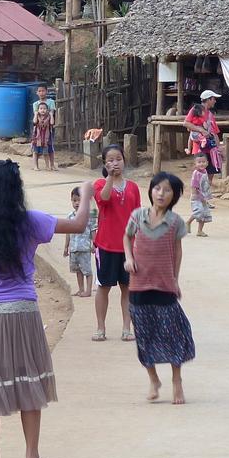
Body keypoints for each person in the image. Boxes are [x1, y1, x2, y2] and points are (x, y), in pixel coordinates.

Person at [0, 161, 95, 458]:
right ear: (16, 189)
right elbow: (77, 226)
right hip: (23, 308)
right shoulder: (30, 221)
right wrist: (86, 194)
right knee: (29, 381)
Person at [124, 172, 196, 404]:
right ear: (151, 191)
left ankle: (177, 380)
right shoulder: (137, 216)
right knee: (144, 336)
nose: (161, 193)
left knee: (172, 333)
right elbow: (127, 237)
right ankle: (153, 379)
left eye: (167, 190)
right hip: (138, 285)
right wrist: (128, 258)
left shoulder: (176, 222)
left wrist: (175, 280)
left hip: (164, 286)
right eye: (157, 189)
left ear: (174, 195)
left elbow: (178, 251)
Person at [93, 144, 141, 342]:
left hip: (128, 247)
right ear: (105, 163)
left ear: (124, 160)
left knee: (127, 288)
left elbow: (138, 215)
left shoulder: (133, 187)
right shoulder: (99, 184)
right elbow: (103, 199)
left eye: (118, 159)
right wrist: (109, 180)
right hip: (106, 245)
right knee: (103, 287)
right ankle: (100, 328)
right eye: (110, 160)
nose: (115, 163)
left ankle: (126, 328)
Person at [63, 186, 95, 298]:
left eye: (79, 200)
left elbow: (93, 230)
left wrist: (93, 244)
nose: (76, 203)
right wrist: (66, 247)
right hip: (74, 248)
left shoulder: (89, 216)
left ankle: (88, 290)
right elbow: (68, 232)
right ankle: (81, 289)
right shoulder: (70, 216)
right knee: (78, 270)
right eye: (74, 200)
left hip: (85, 247)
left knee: (87, 270)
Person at [183, 90, 223, 179]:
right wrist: (200, 129)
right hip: (199, 149)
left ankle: (207, 191)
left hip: (211, 148)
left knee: (211, 172)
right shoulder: (195, 110)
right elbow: (186, 123)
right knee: (200, 172)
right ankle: (198, 192)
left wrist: (218, 147)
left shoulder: (210, 115)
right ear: (208, 100)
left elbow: (215, 133)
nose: (215, 101)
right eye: (213, 99)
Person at [189, 153, 213, 236]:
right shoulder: (196, 173)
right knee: (199, 212)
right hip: (196, 197)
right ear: (195, 164)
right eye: (199, 162)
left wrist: (206, 196)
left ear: (207, 163)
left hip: (203, 197)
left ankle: (200, 231)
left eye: (203, 162)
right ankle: (188, 222)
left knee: (204, 213)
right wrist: (197, 196)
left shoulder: (205, 171)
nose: (201, 164)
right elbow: (194, 186)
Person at [31, 101, 55, 171]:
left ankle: (47, 166)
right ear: (38, 110)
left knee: (46, 152)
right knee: (35, 151)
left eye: (44, 109)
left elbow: (52, 123)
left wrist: (51, 115)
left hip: (46, 137)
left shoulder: (48, 117)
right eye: (41, 108)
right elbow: (34, 122)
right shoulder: (37, 116)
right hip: (37, 136)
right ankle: (35, 166)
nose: (42, 110)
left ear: (47, 110)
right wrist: (35, 114)